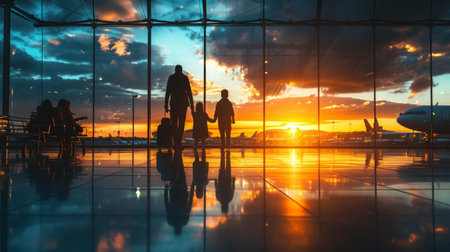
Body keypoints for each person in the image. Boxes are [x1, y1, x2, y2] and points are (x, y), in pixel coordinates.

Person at [164, 65, 195, 149]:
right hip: (183, 104)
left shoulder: (171, 78)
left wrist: (166, 104)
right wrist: (192, 104)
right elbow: (189, 91)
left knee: (174, 123)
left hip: (174, 103)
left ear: (175, 70)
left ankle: (175, 142)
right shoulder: (184, 78)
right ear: (181, 70)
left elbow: (168, 92)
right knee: (181, 124)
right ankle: (179, 143)